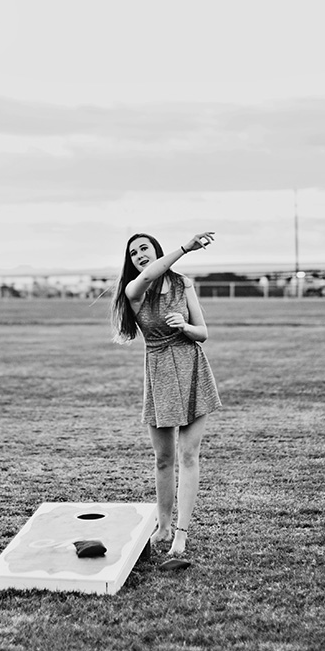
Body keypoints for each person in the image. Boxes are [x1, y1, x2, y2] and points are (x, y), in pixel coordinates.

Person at [111, 231, 221, 561]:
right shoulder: (135, 290)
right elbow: (146, 275)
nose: (139, 255)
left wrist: (184, 326)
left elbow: (203, 332)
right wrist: (186, 247)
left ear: (156, 249)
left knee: (189, 456)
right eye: (133, 253)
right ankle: (163, 526)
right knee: (163, 459)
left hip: (191, 368)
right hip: (158, 371)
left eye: (144, 248)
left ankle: (181, 536)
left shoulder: (183, 284)